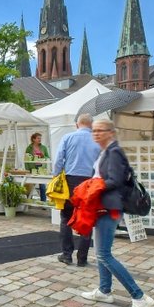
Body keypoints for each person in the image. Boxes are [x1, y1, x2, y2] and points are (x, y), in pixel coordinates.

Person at [80, 118, 154, 307]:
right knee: (101, 251)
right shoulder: (106, 152)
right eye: (93, 130)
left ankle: (139, 297)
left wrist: (93, 186)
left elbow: (116, 181)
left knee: (104, 254)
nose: (95, 134)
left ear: (111, 132)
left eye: (100, 130)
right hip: (104, 206)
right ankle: (104, 291)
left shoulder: (114, 152)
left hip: (109, 207)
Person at [53, 114, 100, 267]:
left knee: (66, 217)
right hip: (89, 182)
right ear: (91, 125)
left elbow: (59, 159)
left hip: (70, 181)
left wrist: (56, 176)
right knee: (86, 219)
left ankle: (67, 255)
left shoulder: (68, 137)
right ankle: (82, 258)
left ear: (77, 124)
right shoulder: (97, 140)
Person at [25, 132, 50, 201]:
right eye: (38, 138)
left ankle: (43, 202)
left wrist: (43, 156)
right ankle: (29, 201)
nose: (40, 139)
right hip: (32, 169)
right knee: (30, 186)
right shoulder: (29, 148)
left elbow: (48, 157)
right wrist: (27, 170)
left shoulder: (43, 148)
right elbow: (26, 159)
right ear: (33, 139)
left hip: (41, 169)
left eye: (40, 138)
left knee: (42, 186)